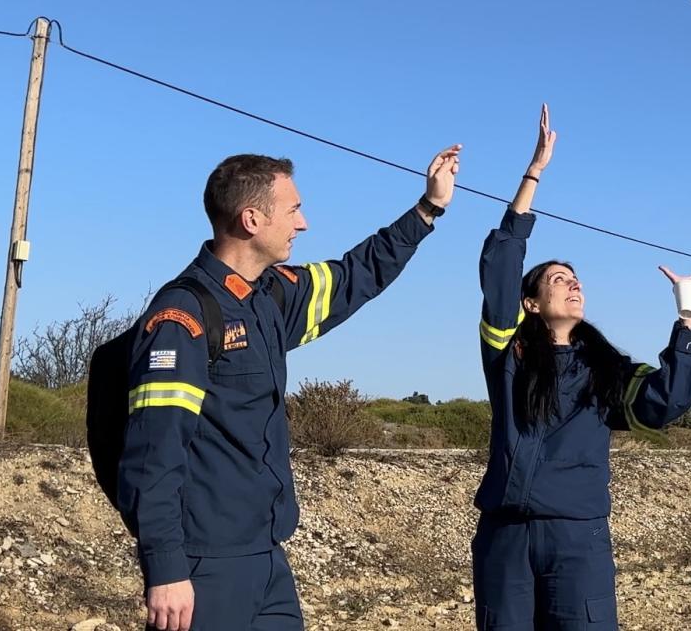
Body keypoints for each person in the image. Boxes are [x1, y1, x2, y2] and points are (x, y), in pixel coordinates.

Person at [118, 145, 460, 631]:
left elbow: (355, 275)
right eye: (294, 210)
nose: (303, 224)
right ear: (252, 219)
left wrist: (427, 210)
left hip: (268, 560)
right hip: (204, 568)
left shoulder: (270, 296)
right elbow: (155, 452)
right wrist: (166, 567)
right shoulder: (184, 317)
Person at [472, 106, 691, 630]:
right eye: (559, 278)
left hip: (577, 538)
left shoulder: (605, 371)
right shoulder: (507, 355)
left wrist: (687, 313)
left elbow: (668, 402)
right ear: (531, 304)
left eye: (576, 279)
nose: (573, 283)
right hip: (506, 535)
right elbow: (501, 263)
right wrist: (534, 173)